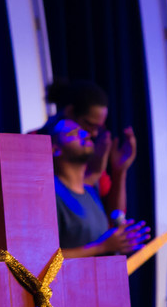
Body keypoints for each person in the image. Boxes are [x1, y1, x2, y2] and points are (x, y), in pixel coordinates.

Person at [37, 79, 136, 217]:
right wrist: (95, 172)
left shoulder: (86, 153)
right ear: (70, 112)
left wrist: (120, 170)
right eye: (90, 124)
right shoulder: (34, 145)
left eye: (98, 127)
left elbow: (113, 215)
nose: (93, 134)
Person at [51, 119, 148, 259]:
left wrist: (120, 170)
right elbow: (46, 258)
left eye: (83, 131)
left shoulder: (90, 190)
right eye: (73, 133)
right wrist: (102, 247)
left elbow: (115, 216)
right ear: (55, 149)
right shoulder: (50, 193)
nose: (85, 134)